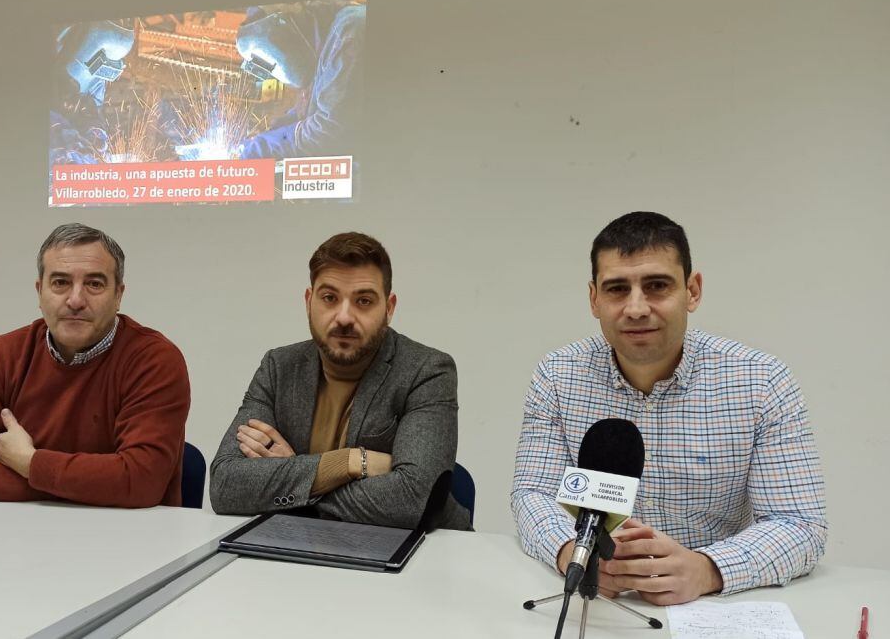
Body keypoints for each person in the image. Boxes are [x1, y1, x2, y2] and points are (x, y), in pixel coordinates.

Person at [511, 211, 826, 605]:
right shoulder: (557, 376)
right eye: (617, 289)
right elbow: (533, 494)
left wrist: (707, 569)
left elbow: (799, 524)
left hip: (709, 603)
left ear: (692, 291)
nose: (637, 308)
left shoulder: (762, 382)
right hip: (594, 599)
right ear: (594, 299)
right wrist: (571, 553)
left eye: (657, 285)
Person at [209, 232, 470, 530]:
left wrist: (294, 476)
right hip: (304, 544)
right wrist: (350, 461)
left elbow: (412, 499)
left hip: (422, 554)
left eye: (364, 301)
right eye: (329, 298)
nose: (344, 317)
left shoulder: (427, 370)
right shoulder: (278, 367)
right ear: (309, 301)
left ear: (389, 308)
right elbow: (225, 485)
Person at [0, 223, 190, 508]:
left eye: (94, 284)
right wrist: (83, 483)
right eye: (60, 282)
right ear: (40, 291)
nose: (76, 300)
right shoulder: (3, 356)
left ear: (118, 295)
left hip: (128, 543)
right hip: (17, 540)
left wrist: (30, 464)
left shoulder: (154, 360)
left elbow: (140, 482)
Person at [233, 0, 365, 160]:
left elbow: (329, 128)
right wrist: (278, 128)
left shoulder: (350, 30)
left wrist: (265, 145)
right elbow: (314, 106)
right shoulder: (321, 45)